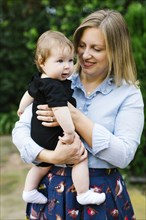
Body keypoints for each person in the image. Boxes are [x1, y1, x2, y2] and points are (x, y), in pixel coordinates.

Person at [12, 9, 144, 220]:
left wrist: (74, 117)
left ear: (116, 51)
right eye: (81, 46)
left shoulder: (128, 93)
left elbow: (124, 155)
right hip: (52, 190)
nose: (84, 55)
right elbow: (20, 131)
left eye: (96, 48)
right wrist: (50, 157)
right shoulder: (58, 78)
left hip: (103, 195)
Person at [17, 30, 105, 206]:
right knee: (79, 155)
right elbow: (60, 110)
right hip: (52, 133)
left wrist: (21, 108)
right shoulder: (55, 86)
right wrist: (70, 132)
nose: (67, 66)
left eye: (70, 61)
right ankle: (83, 193)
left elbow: (29, 94)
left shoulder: (40, 80)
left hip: (39, 133)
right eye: (60, 61)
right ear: (42, 63)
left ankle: (29, 190)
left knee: (43, 164)